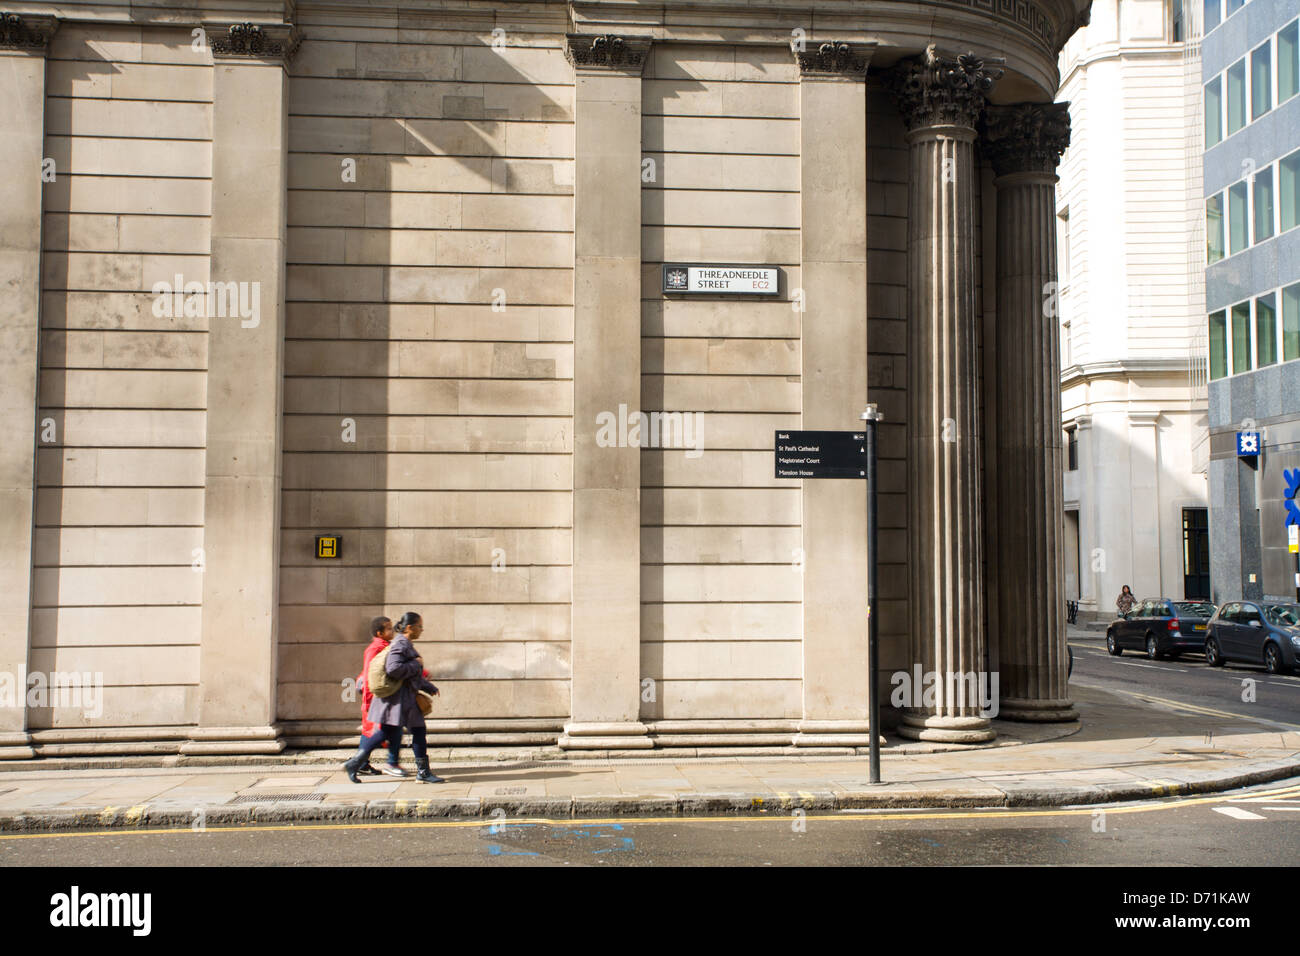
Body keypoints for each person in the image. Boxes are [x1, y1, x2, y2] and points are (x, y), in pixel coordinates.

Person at [344, 611, 445, 784]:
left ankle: (354, 764)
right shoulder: (401, 644)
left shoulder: (404, 643)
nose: (422, 630)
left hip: (402, 700)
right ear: (409, 627)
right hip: (398, 701)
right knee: (410, 732)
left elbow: (410, 675)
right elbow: (393, 668)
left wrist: (428, 687)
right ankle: (422, 772)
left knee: (390, 733)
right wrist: (416, 664)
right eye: (419, 626)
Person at [354, 616, 399, 776]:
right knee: (375, 731)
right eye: (388, 628)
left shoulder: (386, 646)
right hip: (374, 698)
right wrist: (367, 702)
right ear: (379, 633)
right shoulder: (374, 649)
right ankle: (360, 763)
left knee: (375, 731)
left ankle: (362, 763)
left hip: (381, 697)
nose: (392, 630)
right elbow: (368, 676)